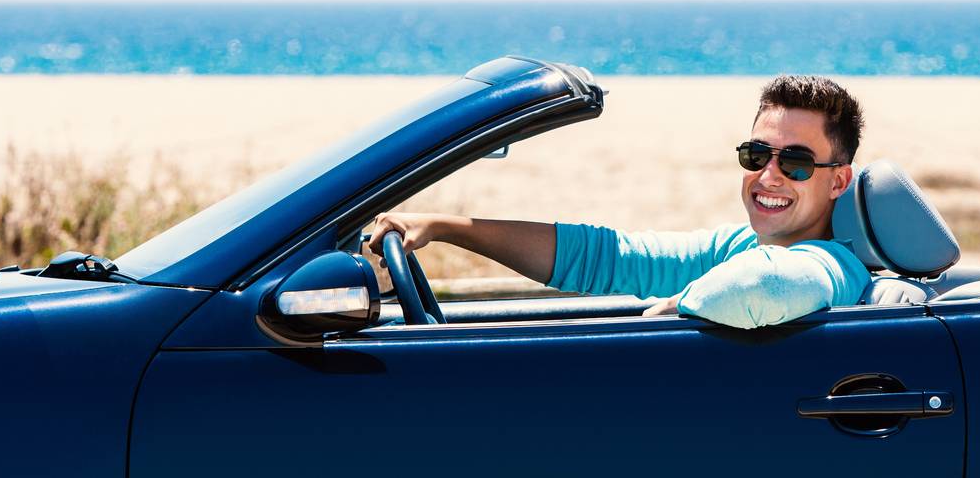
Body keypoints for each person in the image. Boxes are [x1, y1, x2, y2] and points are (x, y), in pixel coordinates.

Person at [363, 75, 872, 328]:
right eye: (756, 153)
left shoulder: (832, 263)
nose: (769, 175)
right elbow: (607, 257)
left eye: (797, 163)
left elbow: (764, 285)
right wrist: (448, 227)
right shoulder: (740, 244)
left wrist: (677, 308)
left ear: (837, 181)